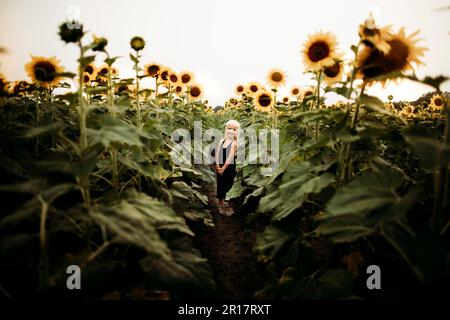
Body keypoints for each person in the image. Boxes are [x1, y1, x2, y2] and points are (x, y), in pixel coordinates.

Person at [215, 119, 239, 216]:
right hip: (219, 166)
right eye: (229, 128)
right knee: (220, 185)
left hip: (229, 168)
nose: (231, 131)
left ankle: (230, 208)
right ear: (226, 129)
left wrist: (223, 168)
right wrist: (217, 166)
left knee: (229, 186)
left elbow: (230, 158)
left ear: (237, 131)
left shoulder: (234, 143)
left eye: (234, 129)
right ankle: (220, 206)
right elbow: (217, 154)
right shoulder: (222, 141)